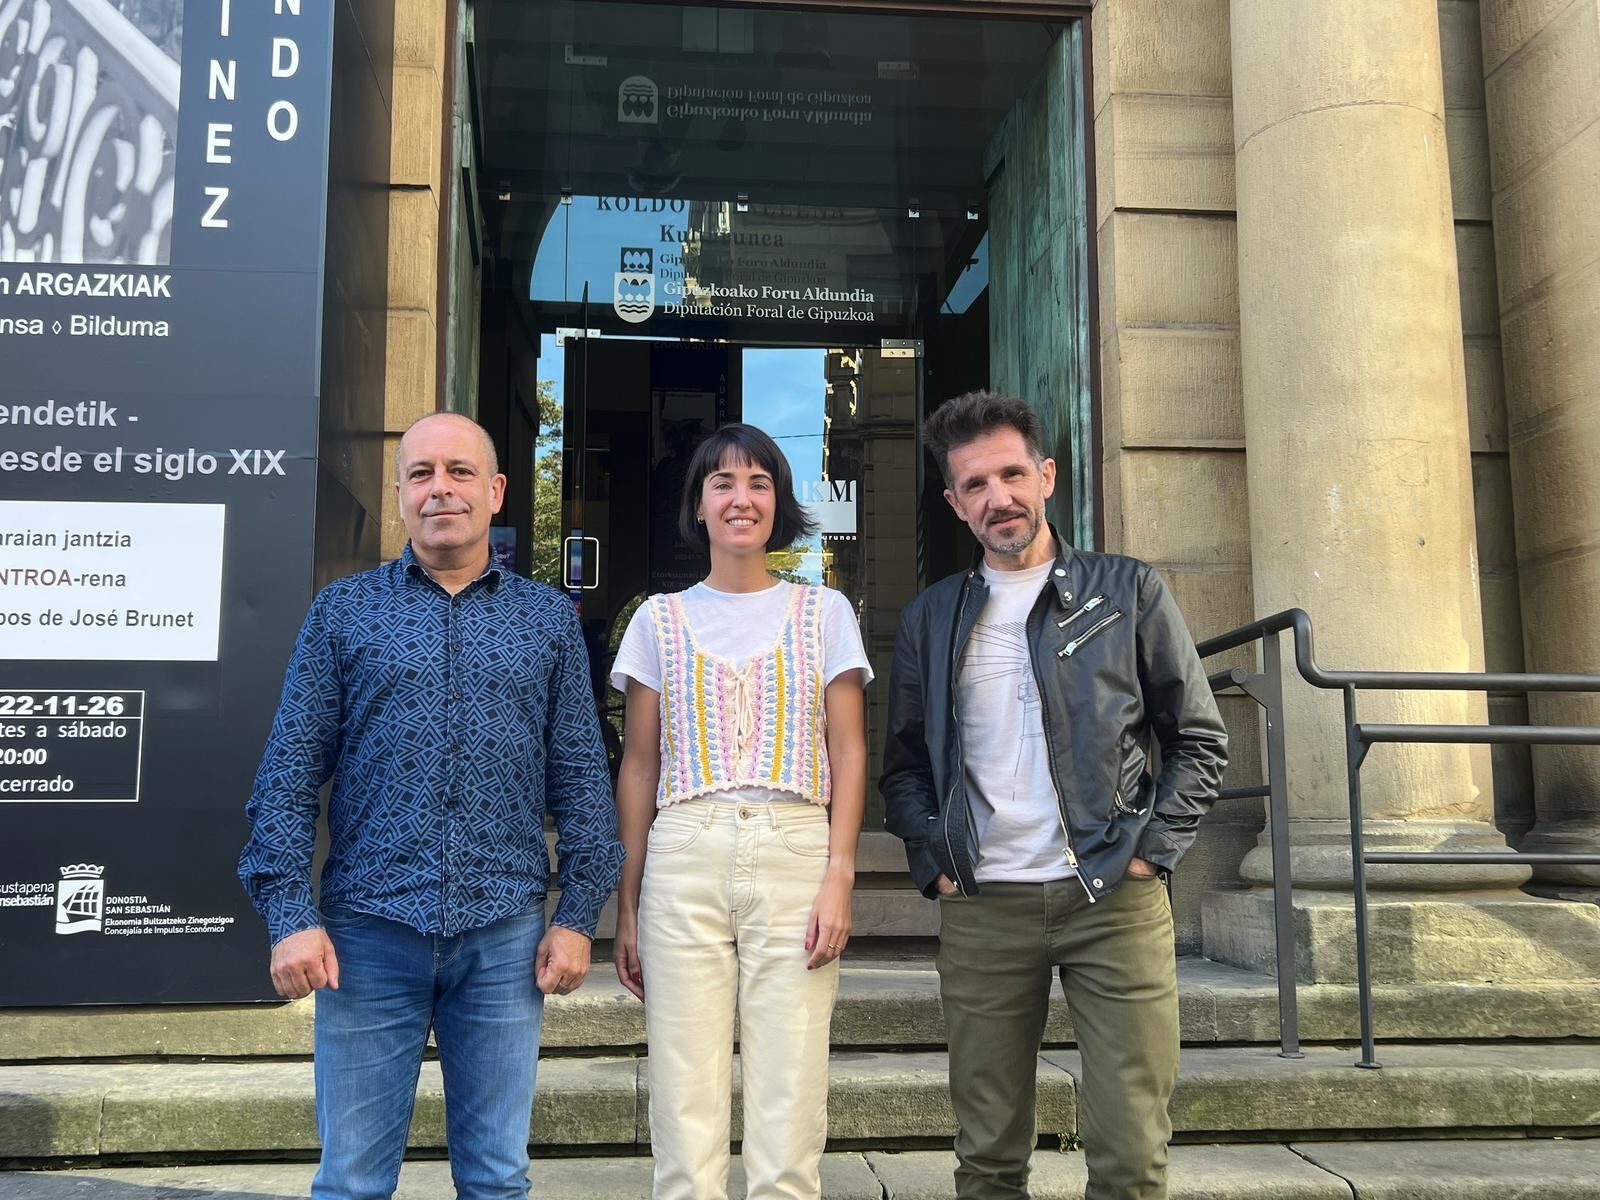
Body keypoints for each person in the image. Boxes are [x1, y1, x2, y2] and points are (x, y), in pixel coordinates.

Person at [239, 412, 624, 1200]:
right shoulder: (342, 613)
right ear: (401, 492)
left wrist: (579, 914)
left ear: (495, 490)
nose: (439, 488)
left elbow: (582, 777)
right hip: (367, 935)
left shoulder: (547, 618)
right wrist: (288, 912)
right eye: (421, 473)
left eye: (457, 470)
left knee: (496, 1177)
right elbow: (286, 770)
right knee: (351, 1182)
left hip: (505, 938)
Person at [881, 390, 1227, 1200]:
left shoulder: (1127, 592)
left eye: (1010, 474)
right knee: (989, 1157)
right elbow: (904, 766)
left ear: (1046, 476)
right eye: (974, 485)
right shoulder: (933, 617)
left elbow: (1200, 739)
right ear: (954, 503)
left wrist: (1152, 850)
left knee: (1130, 1152)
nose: (996, 497)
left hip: (1113, 899)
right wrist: (934, 858)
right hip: (985, 905)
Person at [610, 423, 871, 1200]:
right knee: (683, 1088)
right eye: (722, 483)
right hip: (684, 848)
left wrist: (840, 875)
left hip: (795, 845)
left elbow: (850, 752)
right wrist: (626, 902)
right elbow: (639, 762)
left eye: (759, 482)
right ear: (697, 505)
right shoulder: (657, 619)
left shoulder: (824, 612)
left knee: (790, 1089)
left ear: (779, 504)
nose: (741, 498)